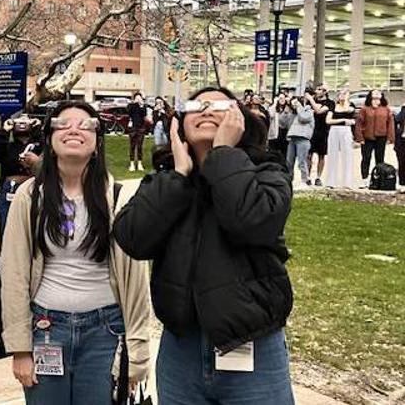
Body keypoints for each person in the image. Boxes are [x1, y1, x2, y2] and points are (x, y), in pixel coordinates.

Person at [114, 86, 295, 405]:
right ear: (179, 124)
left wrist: (223, 154)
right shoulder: (167, 182)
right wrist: (179, 175)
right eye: (196, 105)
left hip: (251, 348)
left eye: (220, 104)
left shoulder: (267, 171)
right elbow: (132, 238)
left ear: (239, 118)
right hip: (180, 353)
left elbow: (252, 221)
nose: (207, 109)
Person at [0, 101, 151, 404]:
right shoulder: (30, 196)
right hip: (46, 329)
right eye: (63, 123)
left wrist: (137, 352)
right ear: (51, 139)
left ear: (97, 142)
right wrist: (20, 348)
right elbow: (14, 273)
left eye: (85, 125)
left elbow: (137, 281)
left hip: (105, 331)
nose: (74, 129)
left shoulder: (120, 197)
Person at [0, 113, 44, 248]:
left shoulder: (39, 144)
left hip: (35, 188)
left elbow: (50, 144)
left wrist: (39, 129)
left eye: (26, 120)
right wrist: (4, 130)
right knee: (7, 229)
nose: (22, 122)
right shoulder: (8, 146)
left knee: (35, 229)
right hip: (10, 191)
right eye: (18, 121)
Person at [354, 89, 395, 184]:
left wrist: (390, 137)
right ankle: (364, 179)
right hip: (367, 137)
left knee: (380, 159)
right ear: (370, 95)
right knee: (366, 158)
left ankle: (379, 179)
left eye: (378, 92)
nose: (377, 93)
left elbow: (390, 124)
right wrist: (359, 137)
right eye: (374, 92)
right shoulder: (365, 109)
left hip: (381, 137)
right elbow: (359, 123)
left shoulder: (386, 109)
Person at [323, 90, 357, 189]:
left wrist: (345, 100)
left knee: (347, 155)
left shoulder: (351, 105)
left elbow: (348, 110)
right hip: (334, 130)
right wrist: (343, 120)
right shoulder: (333, 106)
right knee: (332, 154)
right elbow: (328, 120)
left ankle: (347, 182)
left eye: (344, 94)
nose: (342, 96)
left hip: (346, 130)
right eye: (340, 94)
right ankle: (331, 182)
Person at [285, 93, 315, 187]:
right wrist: (287, 111)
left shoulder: (308, 111)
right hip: (292, 138)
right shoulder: (295, 113)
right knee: (289, 161)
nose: (294, 105)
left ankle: (305, 180)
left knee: (302, 161)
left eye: (296, 103)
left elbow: (303, 118)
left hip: (303, 139)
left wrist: (298, 106)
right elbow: (283, 123)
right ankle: (289, 179)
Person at [308, 86, 335, 186]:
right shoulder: (311, 101)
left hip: (323, 131)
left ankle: (318, 177)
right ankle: (308, 176)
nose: (318, 91)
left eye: (320, 89)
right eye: (317, 89)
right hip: (310, 131)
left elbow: (319, 111)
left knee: (321, 155)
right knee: (309, 155)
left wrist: (311, 100)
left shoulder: (330, 103)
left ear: (325, 91)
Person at [126, 92, 148, 172]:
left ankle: (139, 163)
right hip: (132, 128)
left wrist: (141, 105)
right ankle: (131, 164)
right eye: (137, 98)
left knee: (139, 146)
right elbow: (128, 112)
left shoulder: (143, 106)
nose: (138, 99)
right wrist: (134, 104)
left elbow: (144, 115)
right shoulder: (131, 106)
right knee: (132, 146)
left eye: (140, 98)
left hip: (140, 128)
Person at [394, 103, 405, 192]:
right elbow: (397, 119)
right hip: (401, 141)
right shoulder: (402, 112)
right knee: (401, 163)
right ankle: (402, 184)